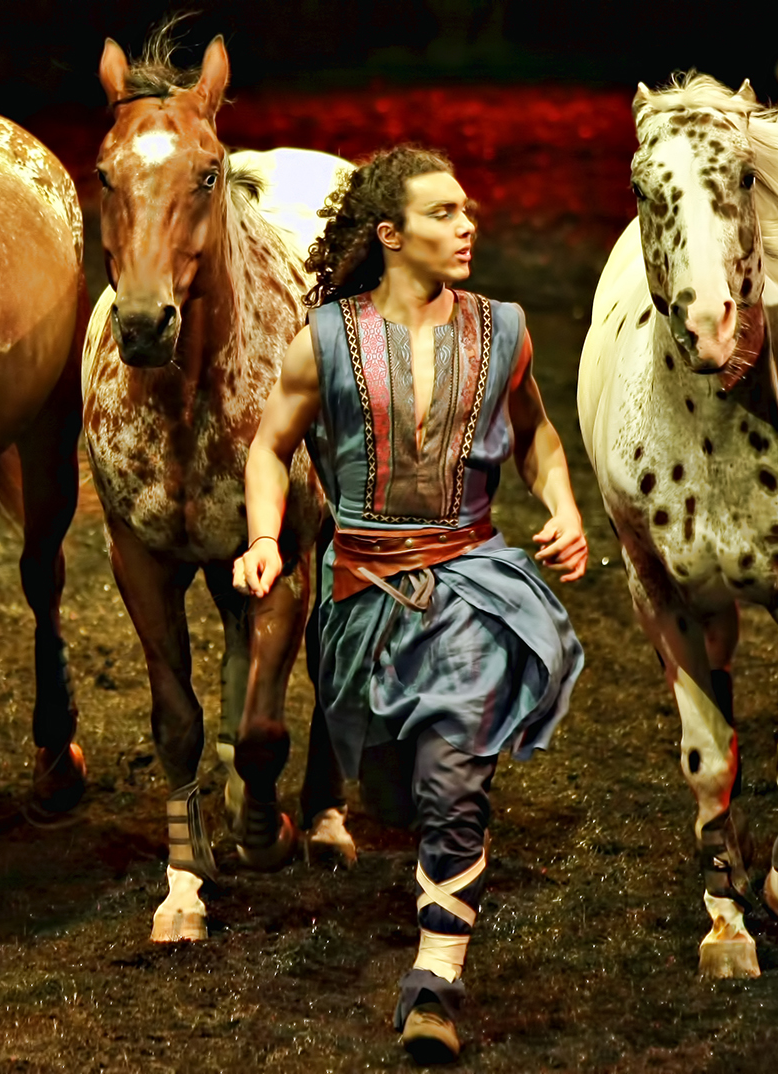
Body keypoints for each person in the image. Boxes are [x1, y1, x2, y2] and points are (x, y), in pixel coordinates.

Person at [233, 144, 588, 1064]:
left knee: (453, 775)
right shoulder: (326, 339)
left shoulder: (504, 331)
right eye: (444, 213)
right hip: (361, 598)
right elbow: (270, 446)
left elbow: (538, 436)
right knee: (394, 793)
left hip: (471, 582)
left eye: (467, 210)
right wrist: (266, 539)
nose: (468, 226)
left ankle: (435, 980)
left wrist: (563, 507)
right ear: (390, 235)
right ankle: (408, 818)